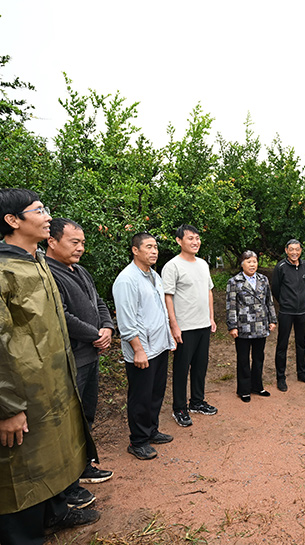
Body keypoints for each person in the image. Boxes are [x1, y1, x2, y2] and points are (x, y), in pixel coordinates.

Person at [0, 188, 99, 544]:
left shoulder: (38, 262)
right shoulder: (4, 270)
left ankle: (55, 513)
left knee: (55, 453)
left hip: (54, 383)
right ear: (13, 221)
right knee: (22, 468)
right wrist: (7, 407)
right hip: (22, 392)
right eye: (38, 210)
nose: (47, 216)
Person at [46, 218, 115, 509]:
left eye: (83, 243)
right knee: (68, 424)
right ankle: (67, 487)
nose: (81, 248)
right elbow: (60, 315)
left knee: (86, 416)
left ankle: (84, 466)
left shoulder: (80, 271)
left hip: (91, 356)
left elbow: (98, 302)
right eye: (74, 242)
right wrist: (94, 335)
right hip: (72, 359)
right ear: (52, 241)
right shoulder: (48, 273)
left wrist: (108, 327)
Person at [113, 232, 175, 460]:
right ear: (135, 250)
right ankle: (138, 441)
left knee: (156, 393)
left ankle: (151, 430)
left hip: (158, 346)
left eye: (156, 247)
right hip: (142, 349)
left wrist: (168, 337)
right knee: (140, 396)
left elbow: (159, 311)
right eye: (148, 247)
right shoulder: (127, 280)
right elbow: (126, 321)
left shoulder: (153, 276)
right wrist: (137, 349)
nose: (154, 251)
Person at [162, 224, 217, 427]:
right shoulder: (172, 266)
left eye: (197, 238)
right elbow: (168, 296)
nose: (195, 242)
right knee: (181, 368)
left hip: (203, 324)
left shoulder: (203, 264)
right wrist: (173, 325)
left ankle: (197, 401)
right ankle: (180, 408)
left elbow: (209, 291)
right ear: (179, 241)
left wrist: (211, 317)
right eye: (190, 238)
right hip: (184, 327)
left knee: (200, 366)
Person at [226, 250, 277, 402]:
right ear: (242, 264)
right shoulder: (234, 281)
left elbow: (269, 301)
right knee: (243, 359)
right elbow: (231, 305)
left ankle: (257, 386)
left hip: (261, 325)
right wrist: (232, 326)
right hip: (243, 327)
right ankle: (244, 390)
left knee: (258, 357)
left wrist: (272, 320)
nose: (252, 264)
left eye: (254, 261)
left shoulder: (263, 279)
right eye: (249, 261)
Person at [272, 239, 305, 391]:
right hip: (286, 312)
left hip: (302, 311)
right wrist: (285, 301)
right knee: (282, 345)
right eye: (291, 249)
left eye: (297, 249)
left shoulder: (304, 266)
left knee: (301, 343)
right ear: (286, 250)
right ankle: (280, 377)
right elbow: (275, 288)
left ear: (300, 250)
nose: (294, 252)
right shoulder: (281, 267)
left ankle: (301, 373)